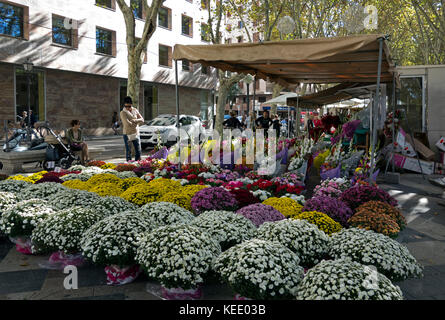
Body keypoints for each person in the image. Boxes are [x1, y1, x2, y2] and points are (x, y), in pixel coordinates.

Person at [120, 96, 144, 162]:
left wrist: (133, 121)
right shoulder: (123, 112)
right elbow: (127, 124)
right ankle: (129, 165)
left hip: (136, 133)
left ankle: (138, 164)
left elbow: (142, 120)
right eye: (126, 106)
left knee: (138, 151)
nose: (128, 108)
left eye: (129, 106)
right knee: (128, 152)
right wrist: (136, 121)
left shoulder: (135, 110)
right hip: (127, 134)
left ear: (131, 105)